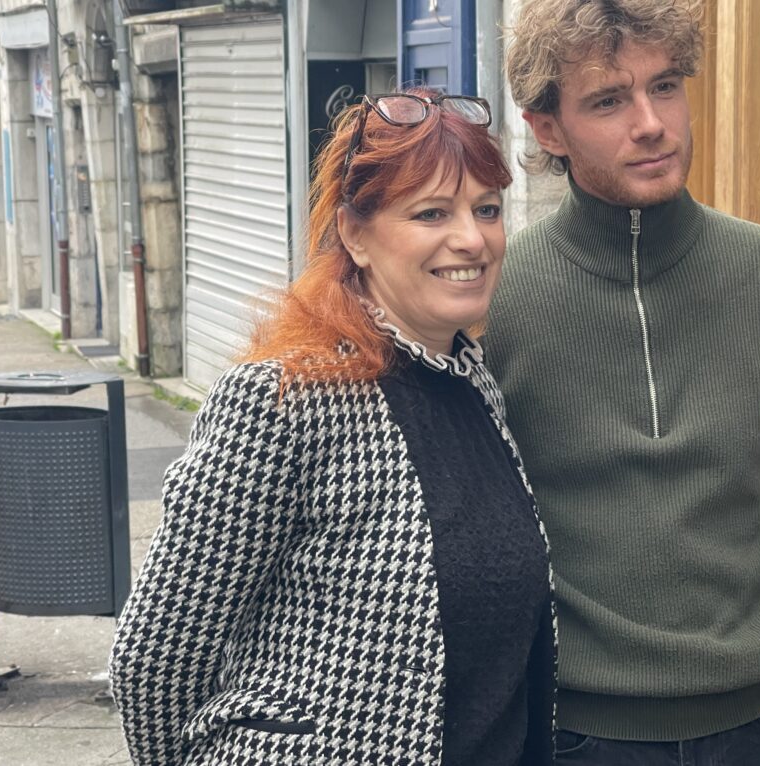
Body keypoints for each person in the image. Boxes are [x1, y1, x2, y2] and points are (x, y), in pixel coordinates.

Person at [109, 88, 556, 766]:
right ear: (354, 234)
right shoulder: (283, 399)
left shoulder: (472, 381)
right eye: (432, 212)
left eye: (487, 209)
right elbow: (157, 658)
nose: (472, 238)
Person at [486, 1, 760, 763]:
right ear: (547, 128)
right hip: (580, 731)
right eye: (608, 100)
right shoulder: (496, 301)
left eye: (666, 86)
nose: (650, 123)